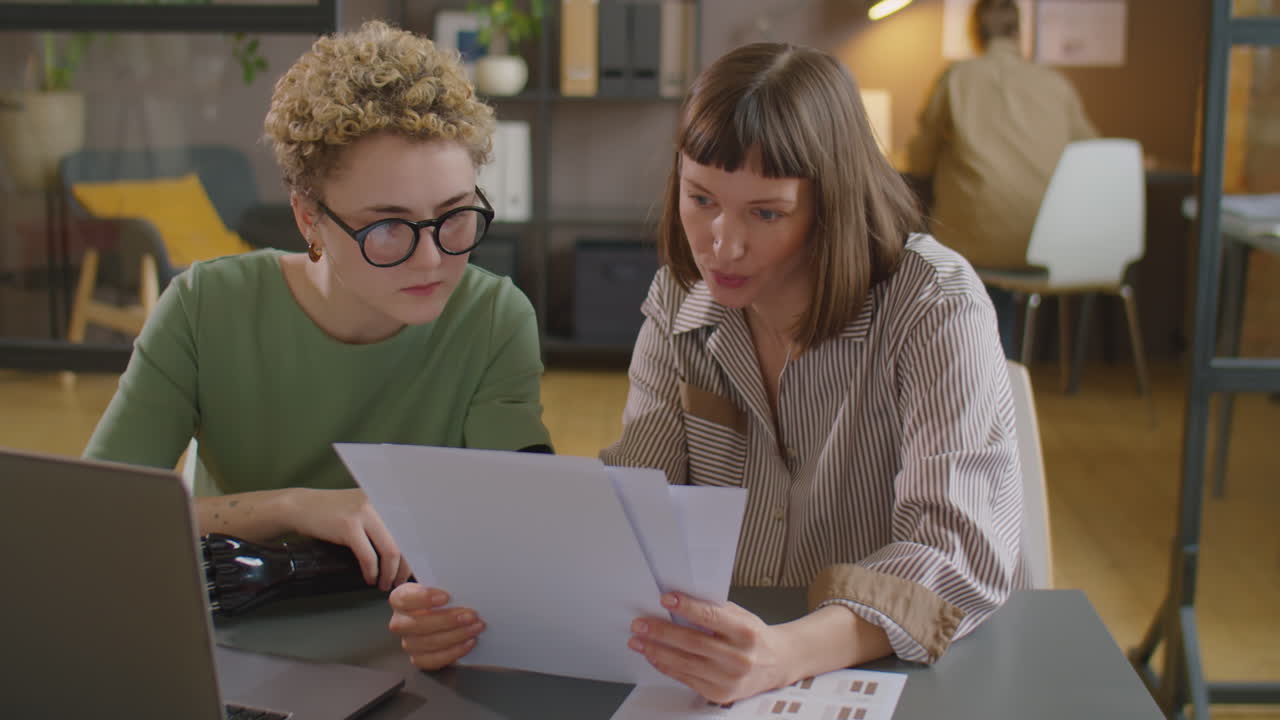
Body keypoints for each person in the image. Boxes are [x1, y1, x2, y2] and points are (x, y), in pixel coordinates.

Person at [388, 42, 1025, 702]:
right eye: (701, 199)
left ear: (831, 204)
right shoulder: (678, 301)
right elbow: (633, 505)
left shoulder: (934, 303)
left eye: (766, 212)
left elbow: (955, 556)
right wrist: (477, 604)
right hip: (732, 667)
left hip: (909, 674)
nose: (722, 242)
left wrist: (785, 653)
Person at [84, 20, 551, 593]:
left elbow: (526, 525)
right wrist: (294, 508)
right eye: (388, 226)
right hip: (233, 614)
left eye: (454, 215)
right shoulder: (204, 308)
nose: (432, 258)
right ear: (310, 218)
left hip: (415, 621)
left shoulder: (495, 318)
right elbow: (99, 512)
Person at [906, 0, 1098, 356]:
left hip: (975, 241)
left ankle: (976, 362)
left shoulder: (956, 78)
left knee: (935, 249)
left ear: (975, 32)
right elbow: (1093, 154)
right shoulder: (1056, 84)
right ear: (1018, 32)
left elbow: (920, 160)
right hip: (1048, 239)